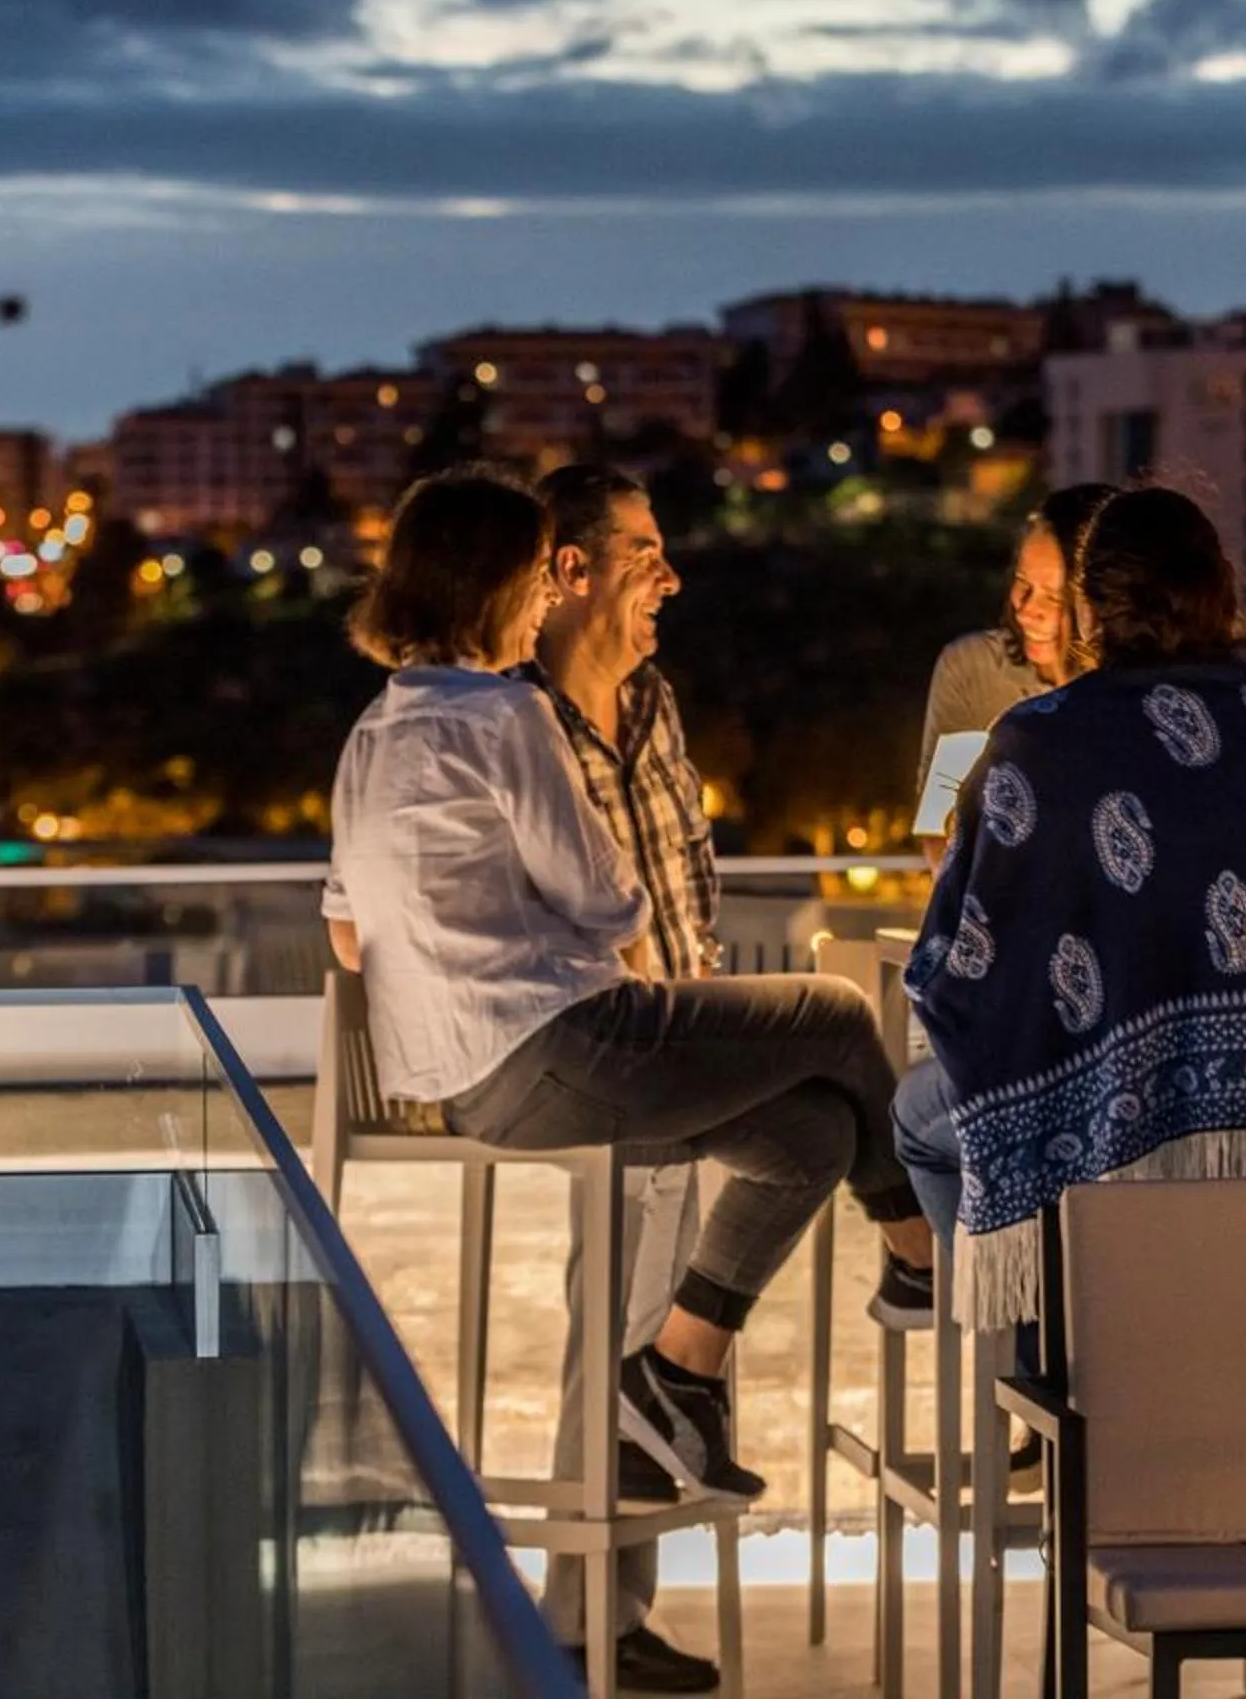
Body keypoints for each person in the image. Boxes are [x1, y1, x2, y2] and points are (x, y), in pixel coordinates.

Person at [323, 466, 936, 1516]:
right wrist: (578, 930)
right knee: (835, 1013)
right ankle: (926, 1257)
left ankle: (677, 1374)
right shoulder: (508, 712)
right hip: (567, 1040)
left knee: (809, 1135)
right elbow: (610, 899)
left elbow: (347, 938)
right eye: (529, 579)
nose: (538, 603)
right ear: (497, 585)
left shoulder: (376, 729)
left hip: (459, 1076)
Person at [891, 485, 1246, 1330]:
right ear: (1221, 589)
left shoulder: (1040, 738)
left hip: (1116, 1133)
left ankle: (1050, 1366)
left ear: (1090, 607)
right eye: (1019, 590)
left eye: (1049, 594)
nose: (1025, 608)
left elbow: (956, 961)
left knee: (922, 1122)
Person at [513, 464, 718, 1694]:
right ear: (572, 569)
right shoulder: (512, 720)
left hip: (678, 1044)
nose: (672, 575)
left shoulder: (654, 702)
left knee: (648, 1307)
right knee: (631, 1310)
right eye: (646, 550)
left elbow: (687, 867)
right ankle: (585, 1611)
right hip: (594, 1057)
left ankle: (599, 1607)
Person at [915, 483, 1119, 837]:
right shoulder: (975, 672)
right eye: (1022, 581)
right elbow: (940, 823)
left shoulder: (1137, 695)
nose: (1025, 609)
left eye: (1054, 598)